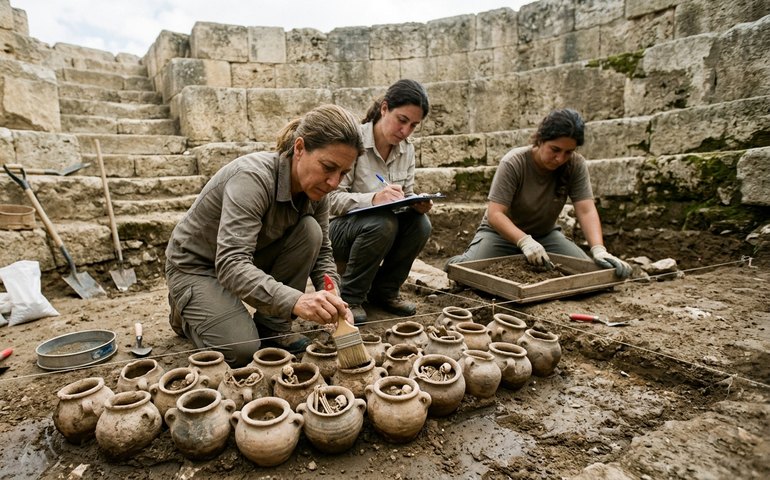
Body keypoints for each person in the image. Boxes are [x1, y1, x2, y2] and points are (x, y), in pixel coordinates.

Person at [165, 104, 364, 366]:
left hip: (247, 257)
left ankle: (272, 326)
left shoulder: (317, 190)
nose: (334, 183)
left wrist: (333, 294)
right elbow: (231, 263)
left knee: (310, 231)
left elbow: (323, 252)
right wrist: (297, 301)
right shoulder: (252, 178)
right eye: (328, 167)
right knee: (242, 350)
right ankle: (185, 309)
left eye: (343, 173)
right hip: (197, 267)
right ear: (300, 148)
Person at [445, 108, 631, 278]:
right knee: (465, 273)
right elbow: (495, 214)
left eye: (568, 152)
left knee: (587, 275)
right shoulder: (514, 162)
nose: (560, 158)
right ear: (540, 139)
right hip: (500, 235)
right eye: (555, 150)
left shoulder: (575, 164)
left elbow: (586, 209)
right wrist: (524, 242)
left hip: (545, 235)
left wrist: (598, 249)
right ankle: (460, 260)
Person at [328, 79, 432, 323]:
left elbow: (405, 195)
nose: (405, 131)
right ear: (384, 109)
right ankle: (351, 297)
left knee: (421, 224)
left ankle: (385, 291)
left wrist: (416, 204)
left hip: (381, 228)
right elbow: (331, 199)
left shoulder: (407, 150)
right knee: (381, 222)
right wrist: (373, 198)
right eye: (402, 120)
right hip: (339, 232)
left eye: (414, 125)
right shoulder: (352, 141)